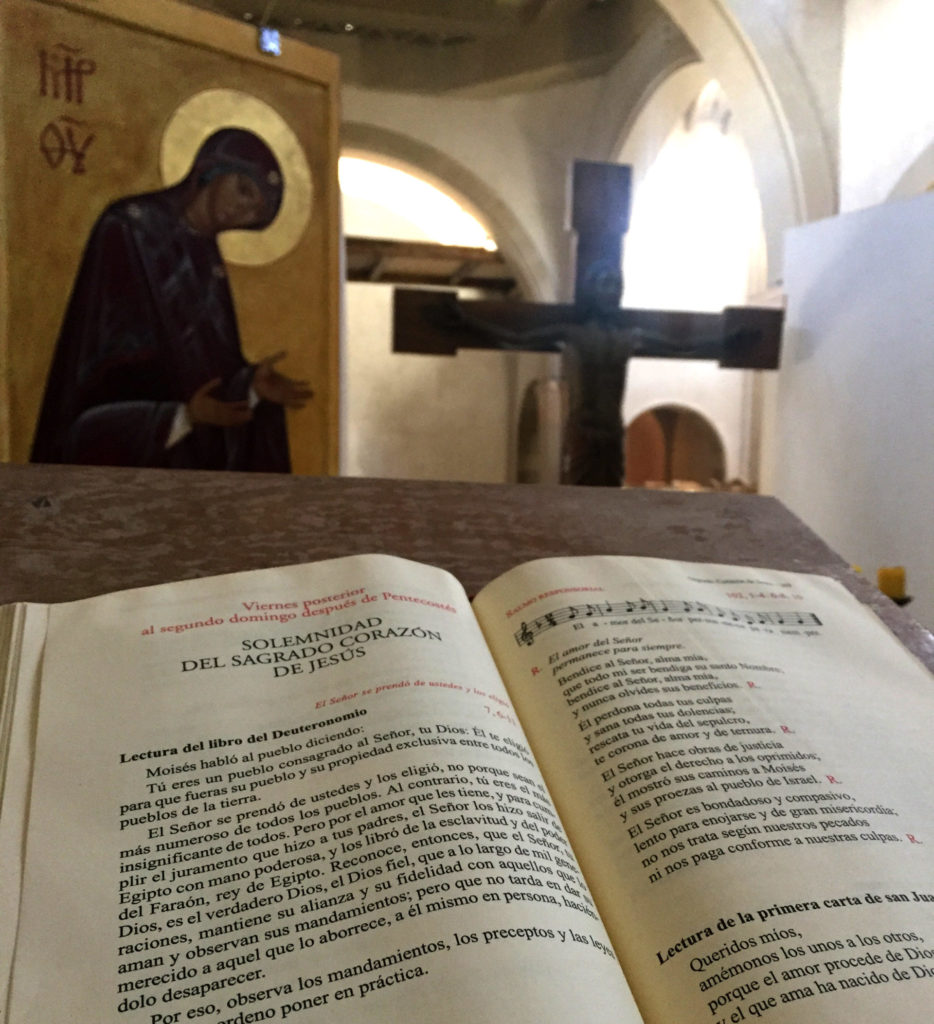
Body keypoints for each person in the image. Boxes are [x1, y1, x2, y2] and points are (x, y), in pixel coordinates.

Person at [30, 128, 312, 471]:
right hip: (127, 441)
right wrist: (181, 415)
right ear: (212, 169)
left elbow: (212, 371)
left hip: (183, 454)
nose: (243, 210)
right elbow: (101, 367)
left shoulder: (207, 262)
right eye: (243, 189)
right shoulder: (130, 227)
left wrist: (250, 388)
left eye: (255, 212)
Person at [443, 259, 726, 487]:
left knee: (610, 497)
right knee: (580, 492)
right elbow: (518, 338)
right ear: (592, 291)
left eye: (617, 284)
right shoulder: (573, 334)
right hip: (584, 429)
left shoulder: (629, 337)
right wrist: (467, 322)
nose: (612, 291)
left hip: (612, 431)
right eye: (605, 284)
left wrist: (726, 340)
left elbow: (682, 346)